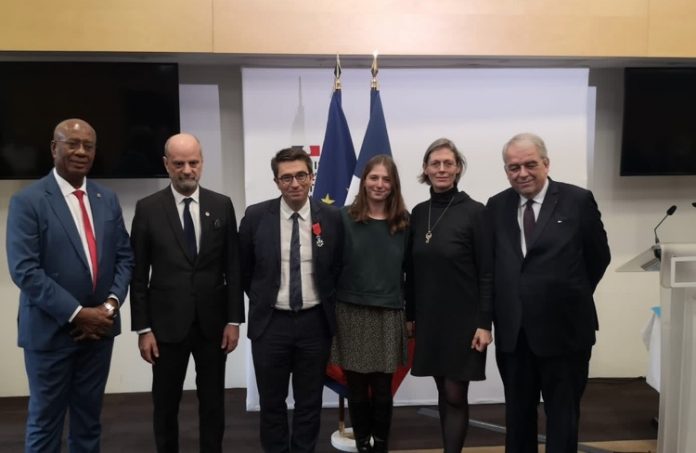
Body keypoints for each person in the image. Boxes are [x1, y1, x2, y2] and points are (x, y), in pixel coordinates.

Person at [6, 118, 134, 452]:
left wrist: (108, 307)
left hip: (99, 333)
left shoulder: (107, 198)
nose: (80, 151)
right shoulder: (28, 201)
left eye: (88, 146)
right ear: (54, 148)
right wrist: (78, 313)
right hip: (50, 334)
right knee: (45, 423)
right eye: (72, 143)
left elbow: (125, 258)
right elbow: (25, 271)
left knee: (89, 422)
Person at [486, 132, 611, 453]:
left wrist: (566, 294)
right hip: (515, 335)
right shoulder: (496, 206)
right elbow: (494, 265)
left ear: (546, 163)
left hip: (566, 331)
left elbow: (598, 257)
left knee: (563, 415)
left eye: (530, 164)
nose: (522, 173)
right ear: (506, 170)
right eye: (514, 167)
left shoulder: (577, 200)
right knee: (517, 415)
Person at [129, 133, 244, 453]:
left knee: (213, 402)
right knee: (165, 404)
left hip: (213, 325)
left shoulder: (221, 205)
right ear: (166, 165)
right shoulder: (148, 209)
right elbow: (138, 274)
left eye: (193, 162)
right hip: (165, 327)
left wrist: (234, 320)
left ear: (202, 163)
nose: (187, 169)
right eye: (179, 164)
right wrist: (143, 328)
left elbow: (232, 266)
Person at [239, 147, 344, 453]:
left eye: (301, 175)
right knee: (271, 404)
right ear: (276, 182)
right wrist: (264, 300)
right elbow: (245, 270)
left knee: (309, 403)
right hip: (271, 325)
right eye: (286, 177)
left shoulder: (333, 218)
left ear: (312, 177)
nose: (294, 183)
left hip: (315, 324)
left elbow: (338, 267)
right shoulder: (257, 217)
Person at [405, 138, 493, 453]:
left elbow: (487, 272)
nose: (441, 169)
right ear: (425, 170)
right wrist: (410, 315)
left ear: (458, 169)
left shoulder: (476, 212)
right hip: (430, 319)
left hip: (465, 321)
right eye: (435, 163)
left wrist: (485, 322)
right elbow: (411, 273)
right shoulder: (418, 213)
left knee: (456, 394)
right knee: (443, 390)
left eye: (448, 163)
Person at [330, 154, 409, 452]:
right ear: (364, 182)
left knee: (382, 389)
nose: (379, 184)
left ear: (394, 185)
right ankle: (362, 442)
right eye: (373, 178)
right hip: (350, 311)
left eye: (386, 179)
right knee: (357, 389)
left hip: (388, 312)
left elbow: (409, 271)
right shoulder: (343, 218)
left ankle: (381, 445)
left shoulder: (403, 221)